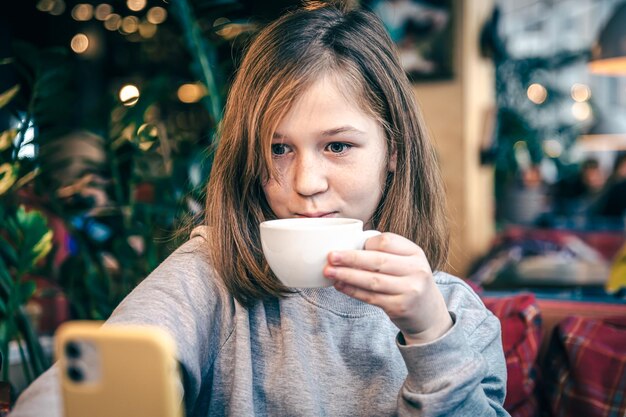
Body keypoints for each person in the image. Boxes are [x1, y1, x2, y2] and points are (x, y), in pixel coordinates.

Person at [9, 2, 508, 416]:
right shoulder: (211, 275)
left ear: (393, 151)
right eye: (278, 148)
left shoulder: (456, 314)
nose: (305, 183)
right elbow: (84, 383)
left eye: (337, 146)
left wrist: (429, 334)